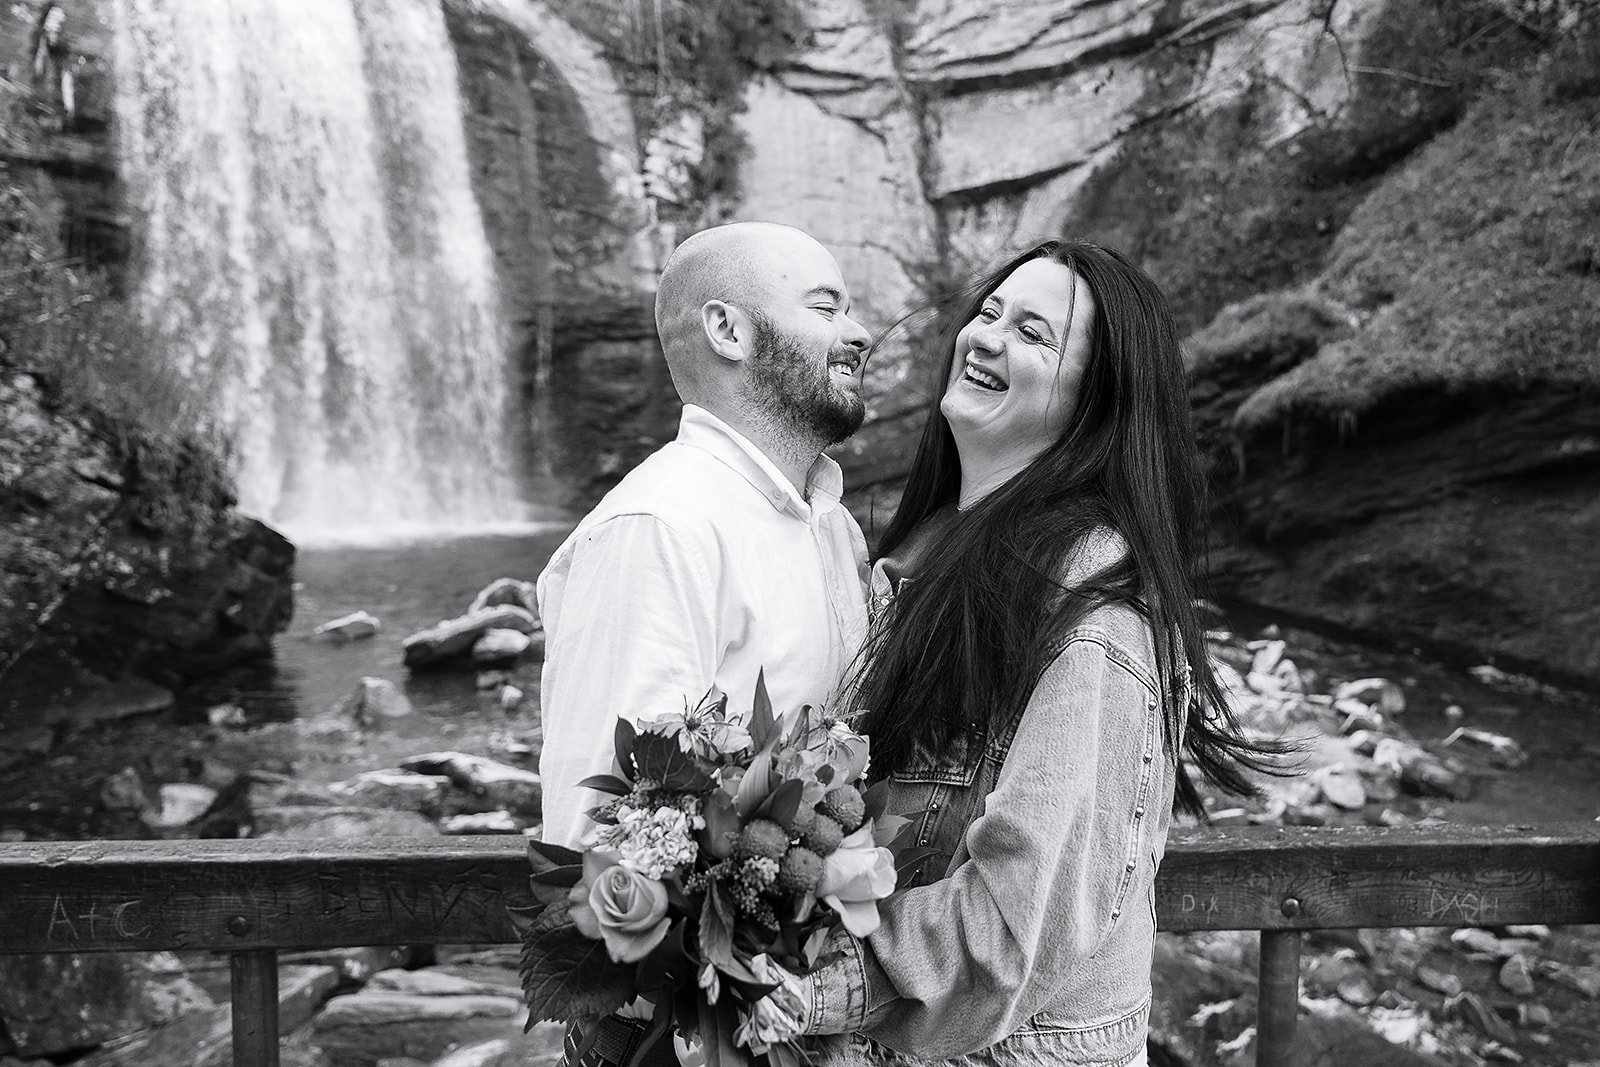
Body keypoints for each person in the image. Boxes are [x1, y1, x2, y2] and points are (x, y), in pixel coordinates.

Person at [785, 240, 1277, 1067]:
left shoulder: (1093, 602)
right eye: (987, 312)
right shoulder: (926, 559)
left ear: (1095, 402)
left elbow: (1018, 918)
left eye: (1033, 334)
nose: (985, 337)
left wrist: (794, 983)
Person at [537, 221, 874, 1067]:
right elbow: (599, 830)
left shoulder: (830, 527)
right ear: (729, 330)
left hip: (810, 1017)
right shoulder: (659, 529)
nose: (859, 331)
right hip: (688, 1035)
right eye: (825, 305)